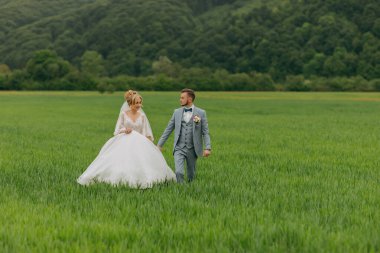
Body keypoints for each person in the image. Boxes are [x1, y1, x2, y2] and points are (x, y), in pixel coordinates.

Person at [77, 90, 176, 188]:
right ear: (130, 103)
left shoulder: (142, 116)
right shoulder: (123, 114)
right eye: (137, 103)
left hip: (139, 142)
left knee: (141, 162)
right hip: (124, 140)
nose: (139, 105)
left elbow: (145, 132)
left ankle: (142, 180)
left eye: (140, 103)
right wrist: (125, 130)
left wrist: (151, 146)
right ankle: (119, 180)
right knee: (122, 160)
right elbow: (116, 130)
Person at [157, 88, 211, 183]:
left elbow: (205, 132)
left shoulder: (201, 113)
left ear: (189, 99)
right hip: (179, 147)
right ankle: (181, 189)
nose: (180, 99)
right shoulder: (176, 112)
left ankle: (190, 191)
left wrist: (207, 148)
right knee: (179, 172)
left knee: (191, 175)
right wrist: (159, 145)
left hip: (193, 149)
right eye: (180, 97)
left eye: (182, 98)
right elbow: (168, 129)